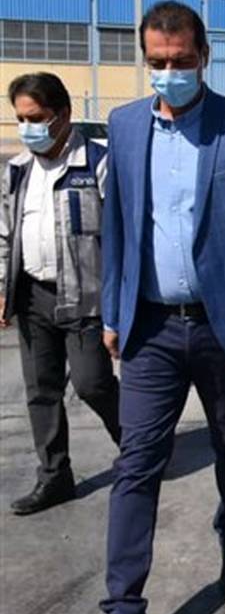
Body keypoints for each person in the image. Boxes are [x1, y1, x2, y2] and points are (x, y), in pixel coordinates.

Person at [100, 1, 225, 614]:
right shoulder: (125, 126)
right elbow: (117, 226)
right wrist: (111, 311)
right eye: (157, 62)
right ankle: (123, 603)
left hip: (221, 326)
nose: (169, 73)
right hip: (150, 327)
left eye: (181, 61)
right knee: (137, 463)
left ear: (204, 57)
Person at [0, 72, 120, 516]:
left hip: (85, 296)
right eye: (20, 119)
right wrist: (2, 287)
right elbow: (5, 234)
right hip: (32, 296)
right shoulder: (17, 171)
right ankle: (55, 476)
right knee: (41, 390)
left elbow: (120, 237)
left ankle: (137, 445)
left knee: (92, 383)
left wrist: (118, 303)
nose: (27, 128)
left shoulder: (97, 164)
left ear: (63, 115)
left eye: (36, 118)